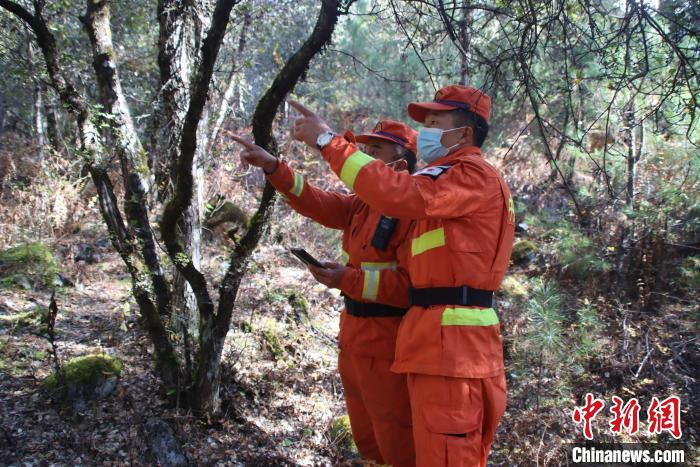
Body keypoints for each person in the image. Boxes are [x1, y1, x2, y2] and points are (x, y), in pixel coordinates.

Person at [289, 84, 515, 467]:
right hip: (430, 346)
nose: (425, 130)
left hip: (455, 354)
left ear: (463, 133)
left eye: (433, 122)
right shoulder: (445, 180)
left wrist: (328, 141)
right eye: (423, 123)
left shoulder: (471, 176)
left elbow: (398, 196)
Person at [231, 120, 418, 467]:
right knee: (367, 439)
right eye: (365, 150)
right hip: (352, 339)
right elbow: (316, 202)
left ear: (401, 163)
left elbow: (412, 289)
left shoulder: (414, 213)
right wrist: (274, 167)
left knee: (397, 441)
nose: (364, 159)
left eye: (375, 152)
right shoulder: (363, 204)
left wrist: (346, 279)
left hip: (391, 345)